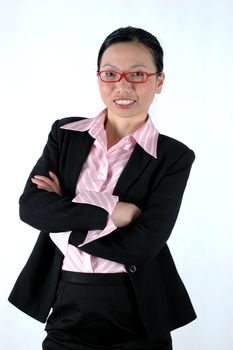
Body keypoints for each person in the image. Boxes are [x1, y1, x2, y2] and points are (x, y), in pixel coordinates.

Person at [9, 26, 196, 349]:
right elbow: (32, 207)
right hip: (68, 303)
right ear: (99, 78)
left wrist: (65, 221)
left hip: (137, 310)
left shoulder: (173, 156)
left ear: (159, 81)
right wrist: (112, 211)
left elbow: (143, 245)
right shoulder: (65, 134)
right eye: (110, 73)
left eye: (137, 74)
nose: (122, 85)